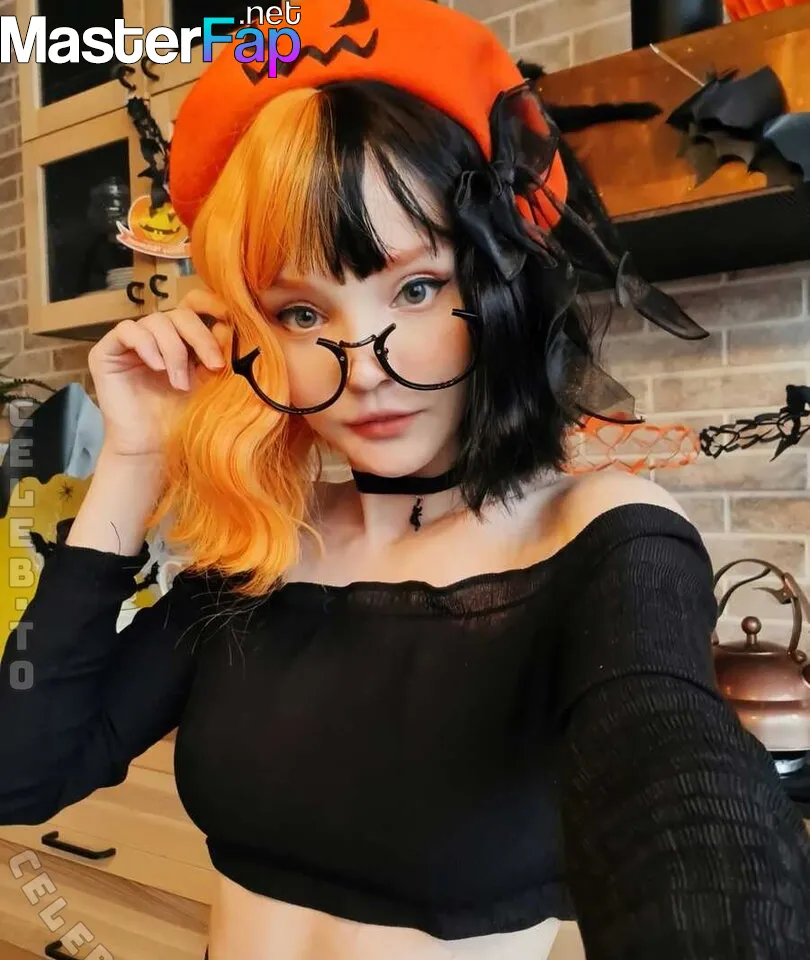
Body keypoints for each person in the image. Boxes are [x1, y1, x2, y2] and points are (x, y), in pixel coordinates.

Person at [2, 2, 809, 958]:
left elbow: (682, 799)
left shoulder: (600, 534)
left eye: (417, 289)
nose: (364, 366)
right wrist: (134, 459)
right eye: (301, 313)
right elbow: (22, 770)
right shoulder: (261, 552)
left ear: (498, 284)